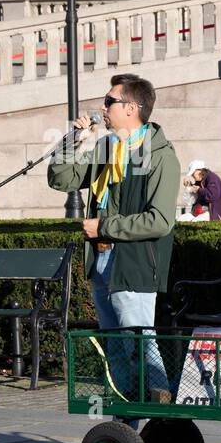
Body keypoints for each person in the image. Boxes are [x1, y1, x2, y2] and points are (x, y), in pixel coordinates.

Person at [48, 73, 181, 404]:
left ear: (131, 108)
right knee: (116, 347)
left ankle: (161, 414)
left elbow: (160, 221)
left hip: (134, 262)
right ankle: (125, 416)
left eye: (110, 101)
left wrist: (104, 227)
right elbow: (61, 179)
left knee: (139, 343)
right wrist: (72, 141)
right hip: (102, 258)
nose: (103, 108)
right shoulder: (107, 147)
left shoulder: (160, 155)